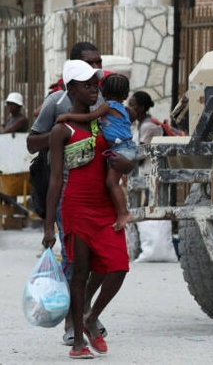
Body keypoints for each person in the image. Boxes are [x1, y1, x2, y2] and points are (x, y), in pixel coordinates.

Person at [27, 41, 129, 346]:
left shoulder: (104, 106)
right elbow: (34, 144)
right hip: (71, 196)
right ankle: (73, 327)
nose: (97, 69)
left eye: (98, 63)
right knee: (76, 265)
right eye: (90, 63)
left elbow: (119, 146)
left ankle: (87, 313)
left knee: (109, 263)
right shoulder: (56, 103)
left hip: (104, 196)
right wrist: (67, 129)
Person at [55, 73, 134, 231]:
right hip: (125, 147)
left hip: (120, 148)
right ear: (125, 95)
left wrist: (68, 115)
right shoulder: (123, 108)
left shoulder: (108, 105)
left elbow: (91, 116)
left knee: (111, 183)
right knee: (112, 182)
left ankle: (123, 213)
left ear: (103, 92)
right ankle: (120, 212)